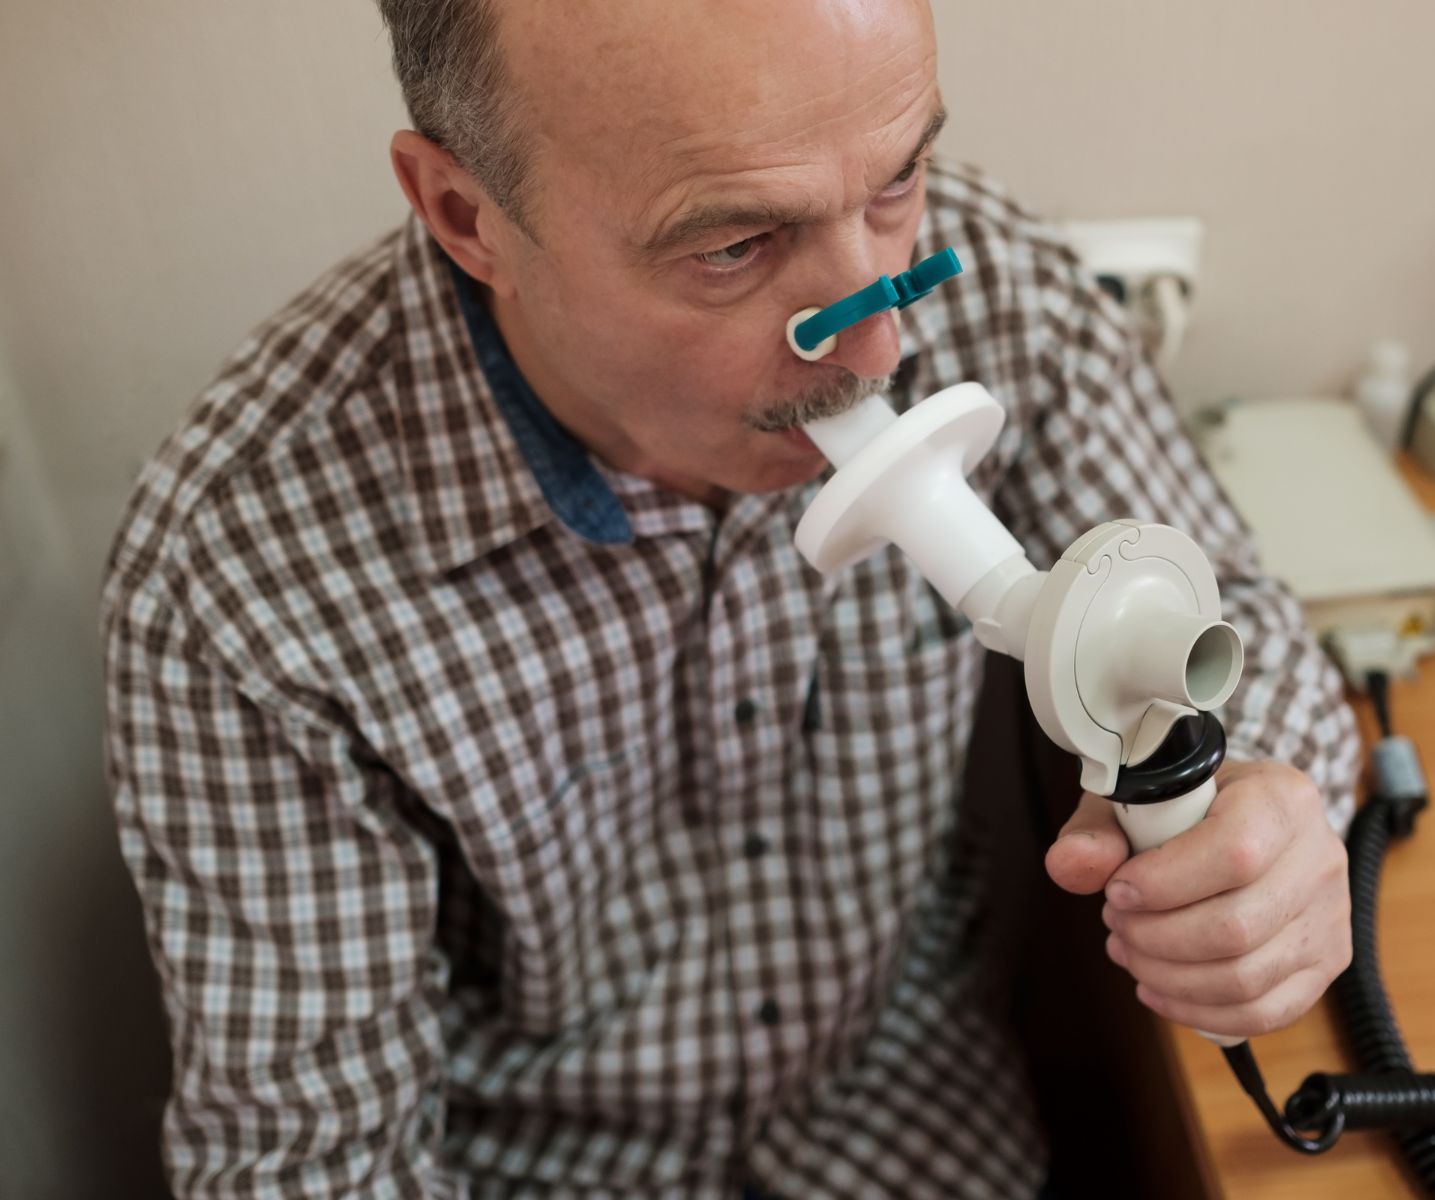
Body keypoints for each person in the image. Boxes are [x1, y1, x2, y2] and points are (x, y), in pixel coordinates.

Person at [100, 1, 1360, 1196]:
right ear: (466, 213)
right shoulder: (242, 575)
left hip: (918, 1123)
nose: (878, 342)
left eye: (898, 184)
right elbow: (311, 1162)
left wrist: (1263, 835)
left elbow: (1242, 628)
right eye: (732, 247)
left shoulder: (1002, 302)